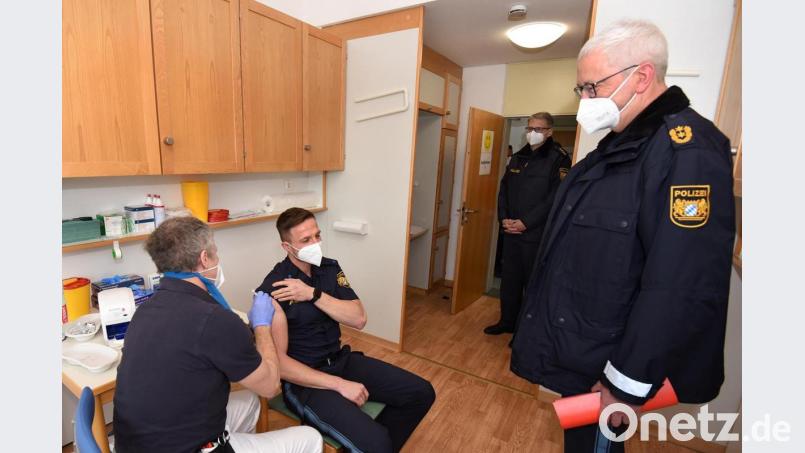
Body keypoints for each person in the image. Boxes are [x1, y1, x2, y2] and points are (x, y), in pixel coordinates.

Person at [510, 19, 735, 452]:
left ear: (642, 77)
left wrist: (625, 383)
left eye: (591, 87)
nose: (585, 101)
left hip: (613, 366)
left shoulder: (687, 151)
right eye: (581, 90)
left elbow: (679, 284)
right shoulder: (617, 148)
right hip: (584, 349)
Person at [113, 217, 322, 453]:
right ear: (204, 259)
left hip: (136, 443)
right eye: (215, 253)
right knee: (310, 437)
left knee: (250, 403)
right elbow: (270, 386)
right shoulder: (215, 320)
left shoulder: (145, 310)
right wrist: (261, 325)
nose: (218, 259)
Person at [255, 207, 436, 453]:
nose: (316, 243)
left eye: (317, 236)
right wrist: (338, 384)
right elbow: (280, 364)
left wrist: (313, 294)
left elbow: (358, 318)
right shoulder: (275, 288)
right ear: (287, 247)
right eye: (306, 240)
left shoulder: (330, 268)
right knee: (377, 443)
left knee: (421, 393)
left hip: (342, 360)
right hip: (306, 383)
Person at [485, 112, 571, 335]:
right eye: (529, 128)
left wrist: (526, 222)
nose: (533, 133)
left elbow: (555, 197)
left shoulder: (558, 158)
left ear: (549, 131)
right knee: (510, 282)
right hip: (511, 232)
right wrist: (503, 217)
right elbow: (503, 189)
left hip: (535, 235)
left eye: (539, 129)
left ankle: (525, 331)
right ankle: (507, 322)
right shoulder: (519, 157)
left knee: (532, 284)